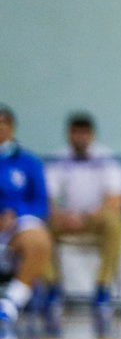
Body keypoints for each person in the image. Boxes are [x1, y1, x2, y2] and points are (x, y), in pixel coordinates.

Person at [45, 112, 121, 318]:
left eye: (84, 132)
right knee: (38, 226)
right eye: (75, 132)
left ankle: (103, 288)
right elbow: (47, 197)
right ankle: (53, 288)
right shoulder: (58, 159)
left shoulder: (105, 159)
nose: (80, 137)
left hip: (94, 218)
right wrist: (61, 214)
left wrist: (87, 217)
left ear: (92, 135)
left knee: (115, 223)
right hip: (65, 219)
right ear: (69, 134)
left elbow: (115, 199)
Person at [0, 105, 53, 327]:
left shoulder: (28, 162)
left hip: (16, 224)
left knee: (38, 241)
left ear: (11, 128)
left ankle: (12, 300)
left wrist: (15, 213)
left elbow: (41, 202)